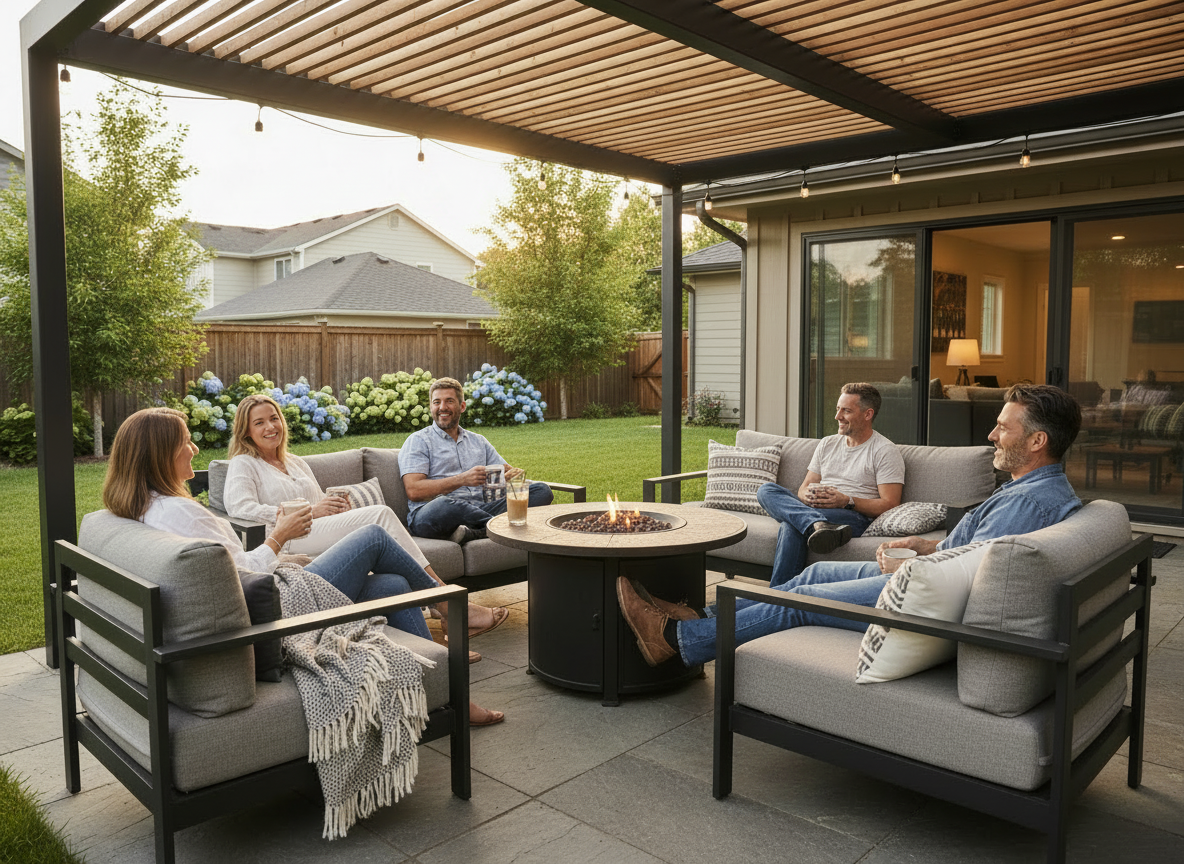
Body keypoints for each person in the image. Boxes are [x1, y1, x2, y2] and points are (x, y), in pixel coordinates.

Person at [618, 384, 1083, 669]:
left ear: (1037, 441)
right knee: (811, 574)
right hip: (923, 572)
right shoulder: (1034, 490)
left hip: (925, 601)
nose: (991, 435)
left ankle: (678, 640)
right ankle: (704, 618)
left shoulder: (1029, 503)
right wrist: (921, 546)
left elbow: (974, 579)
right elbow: (972, 553)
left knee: (795, 601)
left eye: (1003, 427)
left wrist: (914, 564)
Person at [103, 407, 504, 726]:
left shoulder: (151, 509)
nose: (193, 450)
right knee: (376, 533)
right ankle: (449, 612)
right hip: (281, 606)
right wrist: (278, 541)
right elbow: (238, 569)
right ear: (159, 455)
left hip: (275, 582)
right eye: (186, 443)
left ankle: (441, 692)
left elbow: (231, 569)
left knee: (394, 583)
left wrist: (291, 549)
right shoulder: (185, 513)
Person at [223, 394, 508, 642]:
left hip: (316, 532)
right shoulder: (244, 463)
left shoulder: (295, 462)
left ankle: (433, 637)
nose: (270, 426)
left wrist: (332, 507)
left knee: (393, 574)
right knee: (380, 516)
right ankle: (446, 603)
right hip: (289, 540)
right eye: (259, 422)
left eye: (274, 418)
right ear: (246, 431)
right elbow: (239, 506)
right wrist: (305, 513)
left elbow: (318, 501)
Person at [756, 382, 905, 588]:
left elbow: (890, 504)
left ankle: (776, 595)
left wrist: (846, 501)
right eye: (838, 409)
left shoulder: (885, 451)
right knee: (766, 490)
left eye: (846, 411)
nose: (838, 417)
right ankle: (815, 525)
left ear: (867, 414)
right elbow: (804, 487)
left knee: (791, 524)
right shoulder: (827, 443)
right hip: (814, 509)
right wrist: (806, 496)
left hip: (851, 515)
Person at [401, 377, 554, 543]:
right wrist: (463, 479)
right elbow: (414, 491)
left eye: (449, 401)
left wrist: (514, 477)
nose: (442, 407)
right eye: (436, 402)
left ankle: (475, 531)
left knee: (541, 491)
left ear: (462, 406)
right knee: (444, 504)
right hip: (433, 514)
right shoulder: (418, 441)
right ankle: (499, 528)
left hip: (479, 508)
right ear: (431, 406)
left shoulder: (478, 441)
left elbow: (507, 472)